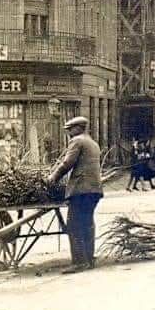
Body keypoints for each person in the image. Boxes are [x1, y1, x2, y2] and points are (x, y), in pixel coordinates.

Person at [47, 116, 103, 274]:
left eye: (70, 129)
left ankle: (79, 262)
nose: (69, 133)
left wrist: (53, 177)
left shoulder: (77, 141)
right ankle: (89, 259)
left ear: (78, 128)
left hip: (81, 189)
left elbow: (67, 163)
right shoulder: (93, 143)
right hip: (94, 189)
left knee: (74, 225)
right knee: (87, 223)